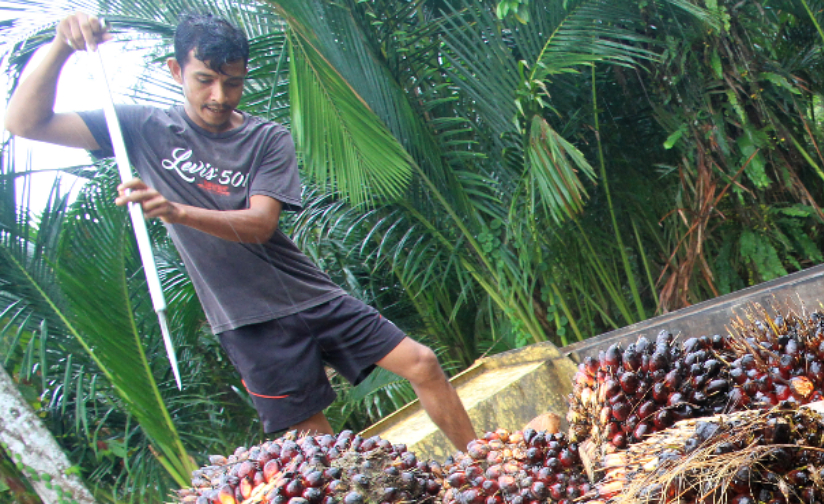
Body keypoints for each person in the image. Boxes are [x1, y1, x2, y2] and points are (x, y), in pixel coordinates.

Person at [5, 11, 478, 448]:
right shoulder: (141, 127)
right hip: (247, 320)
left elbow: (259, 224)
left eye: (231, 84)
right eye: (204, 80)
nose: (218, 96)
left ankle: (479, 469)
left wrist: (176, 210)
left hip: (308, 293)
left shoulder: (266, 138)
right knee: (319, 446)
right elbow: (24, 122)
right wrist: (61, 46)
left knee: (423, 363)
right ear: (176, 71)